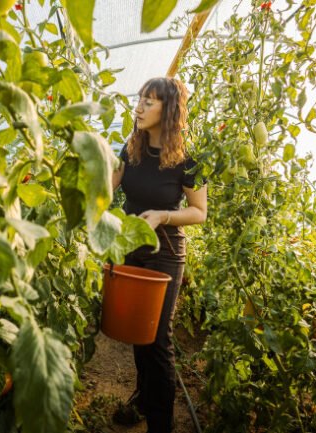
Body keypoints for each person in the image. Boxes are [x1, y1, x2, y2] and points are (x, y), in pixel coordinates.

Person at [110, 77, 208, 433]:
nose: (139, 107)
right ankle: (143, 397)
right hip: (132, 246)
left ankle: (160, 424)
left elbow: (199, 212)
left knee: (158, 339)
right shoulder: (131, 148)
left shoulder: (189, 159)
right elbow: (106, 188)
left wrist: (162, 216)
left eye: (149, 102)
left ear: (169, 110)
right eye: (140, 99)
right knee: (140, 333)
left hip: (165, 253)